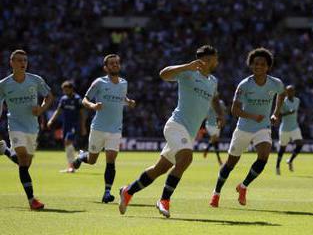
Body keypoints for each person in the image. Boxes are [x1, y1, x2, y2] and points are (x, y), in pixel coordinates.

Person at [118, 45, 225, 218]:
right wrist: (186, 66)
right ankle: (164, 200)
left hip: (188, 133)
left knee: (159, 169)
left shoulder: (213, 81)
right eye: (215, 58)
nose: (217, 61)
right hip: (176, 125)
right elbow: (163, 74)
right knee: (186, 158)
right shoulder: (189, 73)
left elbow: (215, 98)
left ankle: (128, 191)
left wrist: (219, 113)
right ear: (206, 60)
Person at [209, 47, 286, 207]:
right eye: (255, 63)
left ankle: (243, 186)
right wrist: (252, 116)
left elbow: (282, 95)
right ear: (251, 65)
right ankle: (216, 193)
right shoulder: (244, 85)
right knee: (230, 164)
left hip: (263, 127)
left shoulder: (276, 83)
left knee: (264, 156)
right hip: (243, 128)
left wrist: (275, 113)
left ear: (268, 66)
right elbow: (234, 110)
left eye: (262, 64)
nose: (258, 66)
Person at [72, 54, 135, 203]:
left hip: (115, 129)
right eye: (111, 64)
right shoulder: (99, 82)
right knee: (92, 160)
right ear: (105, 68)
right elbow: (84, 99)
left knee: (111, 160)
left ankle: (107, 192)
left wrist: (129, 102)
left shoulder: (124, 83)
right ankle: (82, 156)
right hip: (98, 128)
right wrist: (93, 106)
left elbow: (122, 99)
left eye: (117, 63)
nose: (115, 65)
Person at [0, 49, 53, 210]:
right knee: (23, 159)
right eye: (19, 60)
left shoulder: (35, 80)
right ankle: (32, 200)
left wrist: (41, 109)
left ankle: (5, 150)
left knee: (25, 163)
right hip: (15, 125)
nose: (23, 63)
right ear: (12, 63)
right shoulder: (3, 85)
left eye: (25, 60)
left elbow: (49, 96)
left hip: (32, 127)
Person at [47, 81, 87, 173]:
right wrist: (51, 120)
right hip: (66, 125)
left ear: (71, 89)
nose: (65, 92)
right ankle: (72, 164)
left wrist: (83, 126)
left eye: (66, 90)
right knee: (67, 144)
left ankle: (72, 166)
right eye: (63, 90)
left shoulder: (77, 99)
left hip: (74, 124)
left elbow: (82, 113)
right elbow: (58, 111)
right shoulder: (63, 99)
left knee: (67, 141)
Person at [276, 85, 303, 175]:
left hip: (294, 127)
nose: (291, 92)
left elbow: (294, 112)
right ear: (286, 92)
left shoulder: (297, 100)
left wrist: (289, 112)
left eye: (292, 90)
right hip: (285, 128)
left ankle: (290, 160)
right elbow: (278, 115)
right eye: (289, 91)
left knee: (300, 144)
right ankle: (277, 166)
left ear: (294, 91)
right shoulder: (283, 102)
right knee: (282, 148)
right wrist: (288, 113)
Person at [203, 98, 227, 165]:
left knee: (215, 141)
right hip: (209, 124)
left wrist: (222, 121)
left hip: (217, 125)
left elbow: (223, 112)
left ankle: (207, 149)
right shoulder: (208, 102)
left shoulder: (221, 102)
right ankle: (218, 159)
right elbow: (205, 115)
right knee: (215, 139)